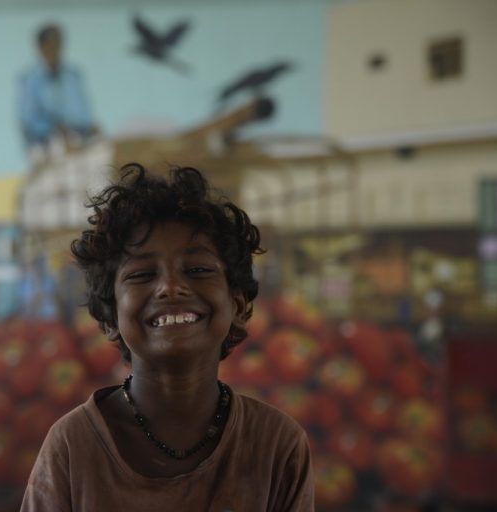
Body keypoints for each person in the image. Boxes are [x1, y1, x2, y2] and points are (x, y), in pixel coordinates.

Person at [20, 164, 314, 511]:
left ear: (236, 304)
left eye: (198, 270)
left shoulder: (276, 444)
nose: (171, 287)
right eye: (142, 273)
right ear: (111, 317)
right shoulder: (72, 447)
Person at [18, 24, 98, 160]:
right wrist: (53, 128)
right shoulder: (30, 80)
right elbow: (28, 121)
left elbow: (83, 112)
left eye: (59, 44)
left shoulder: (73, 75)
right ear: (40, 48)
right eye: (51, 44)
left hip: (77, 138)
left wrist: (90, 126)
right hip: (44, 143)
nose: (55, 50)